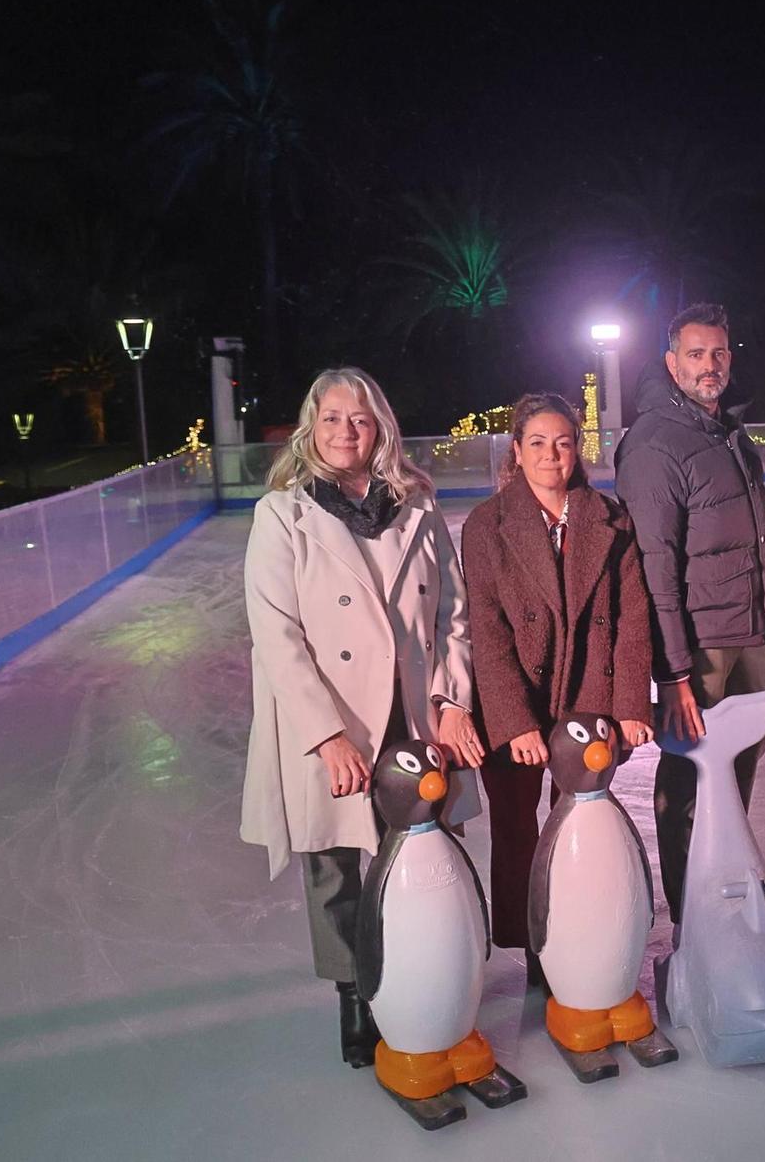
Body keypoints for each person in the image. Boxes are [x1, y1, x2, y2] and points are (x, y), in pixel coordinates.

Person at [240, 366, 483, 1068]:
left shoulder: (416, 507)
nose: (346, 431)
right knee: (337, 864)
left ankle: (426, 970)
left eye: (360, 419)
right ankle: (354, 991)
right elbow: (277, 636)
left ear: (380, 429)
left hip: (413, 714)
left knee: (427, 850)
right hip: (337, 720)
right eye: (332, 418)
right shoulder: (282, 515)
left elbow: (453, 616)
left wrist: (450, 701)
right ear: (310, 427)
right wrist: (326, 736)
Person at [459, 393, 656, 982]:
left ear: (577, 450)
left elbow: (632, 617)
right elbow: (486, 630)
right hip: (516, 694)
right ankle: (534, 947)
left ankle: (579, 930)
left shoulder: (610, 519)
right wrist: (514, 722)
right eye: (538, 443)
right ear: (517, 452)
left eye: (563, 443)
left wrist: (629, 706)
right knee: (516, 828)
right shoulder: (487, 525)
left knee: (577, 822)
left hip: (588, 692)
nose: (551, 455)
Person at [613, 302, 765, 923]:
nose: (710, 365)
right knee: (689, 776)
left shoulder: (727, 432)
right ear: (670, 362)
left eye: (718, 353)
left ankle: (728, 887)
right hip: (701, 645)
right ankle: (693, 913)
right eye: (695, 354)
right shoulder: (654, 442)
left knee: (741, 763)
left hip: (751, 630)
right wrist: (674, 672)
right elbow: (655, 564)